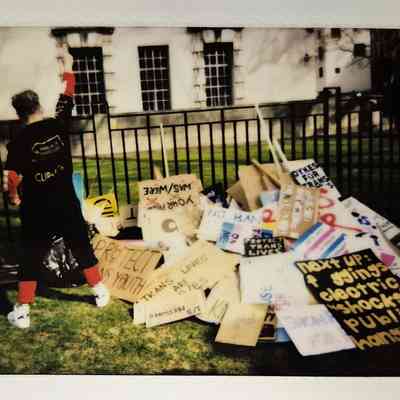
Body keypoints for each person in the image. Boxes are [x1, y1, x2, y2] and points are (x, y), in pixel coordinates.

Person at [2, 46, 110, 329]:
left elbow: (11, 175)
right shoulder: (58, 124)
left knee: (32, 253)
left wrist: (14, 196)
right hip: (65, 201)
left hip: (37, 207)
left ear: (18, 114)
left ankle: (23, 311)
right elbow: (68, 95)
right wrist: (69, 65)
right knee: (80, 243)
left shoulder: (18, 141)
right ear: (38, 106)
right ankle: (99, 292)